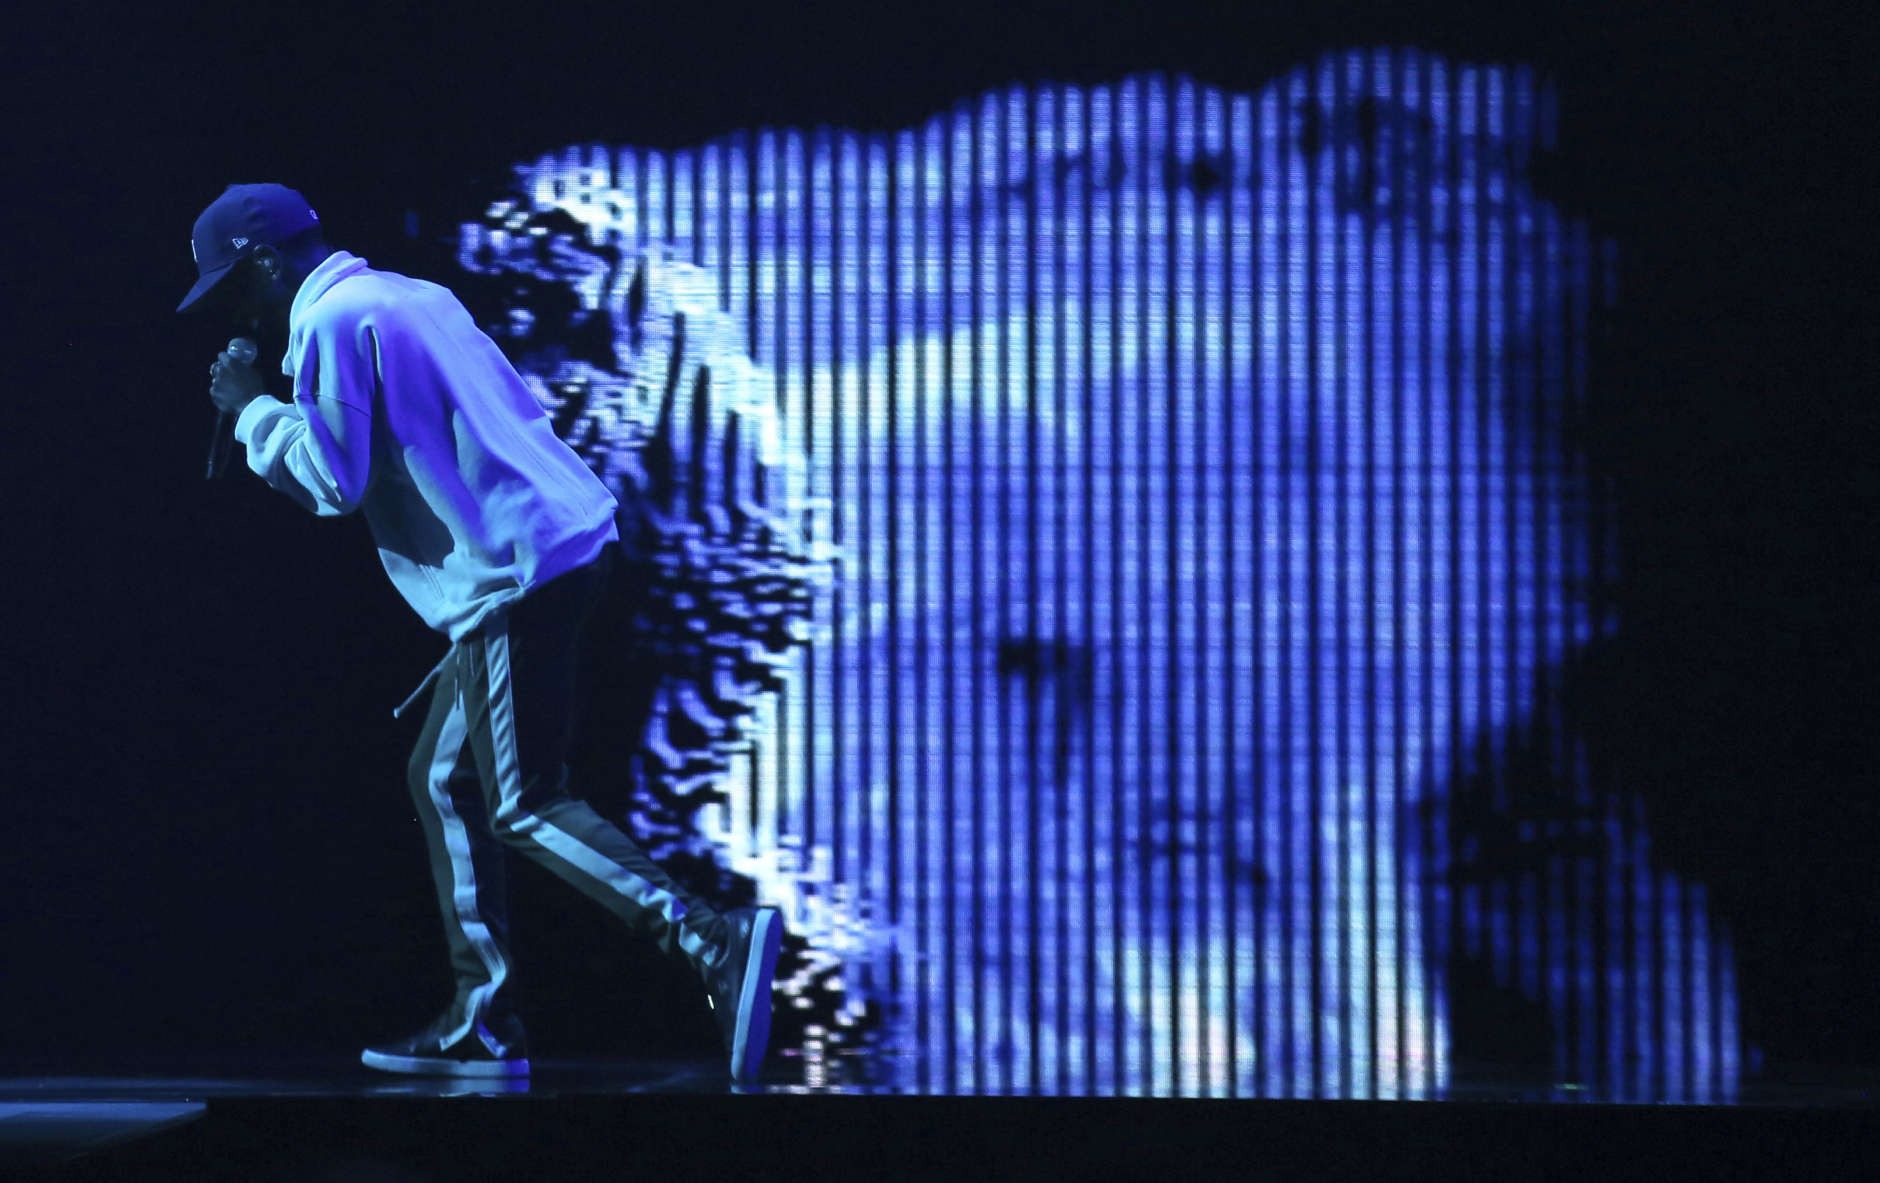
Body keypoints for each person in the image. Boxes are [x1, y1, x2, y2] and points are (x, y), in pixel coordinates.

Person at [178, 182, 783, 1081]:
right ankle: (484, 1019)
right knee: (442, 774)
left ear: (266, 262)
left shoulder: (337, 321)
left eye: (233, 285)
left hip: (516, 573)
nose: (233, 306)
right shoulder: (412, 294)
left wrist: (252, 407)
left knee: (523, 800)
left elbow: (333, 484)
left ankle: (712, 941)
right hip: (553, 546)